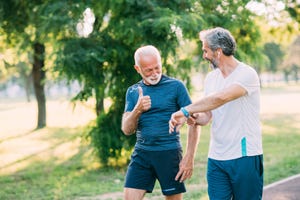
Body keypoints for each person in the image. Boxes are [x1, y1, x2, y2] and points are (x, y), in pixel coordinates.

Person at [169, 27, 264, 200]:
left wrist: (185, 110)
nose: (204, 55)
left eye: (205, 50)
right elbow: (208, 116)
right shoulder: (211, 79)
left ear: (218, 52)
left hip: (244, 156)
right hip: (217, 158)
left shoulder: (246, 74)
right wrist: (196, 117)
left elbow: (220, 98)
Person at [121, 45, 200, 200]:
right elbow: (126, 129)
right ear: (137, 68)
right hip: (142, 153)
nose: (154, 73)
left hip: (169, 153)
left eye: (157, 68)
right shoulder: (133, 91)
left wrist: (189, 158)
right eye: (148, 70)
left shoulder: (176, 87)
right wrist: (137, 109)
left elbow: (194, 122)